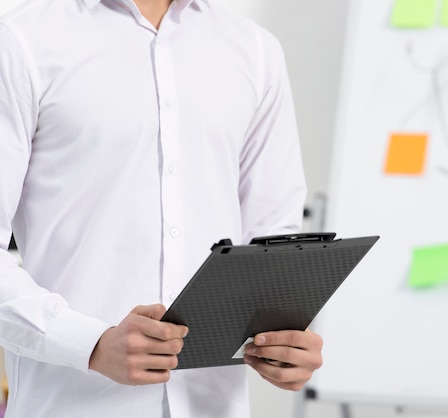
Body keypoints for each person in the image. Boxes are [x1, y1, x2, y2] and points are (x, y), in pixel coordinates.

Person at [0, 0, 323, 416]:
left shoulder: (255, 50)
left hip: (213, 406)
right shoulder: (21, 40)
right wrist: (92, 344)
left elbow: (272, 237)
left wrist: (286, 338)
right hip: (72, 404)